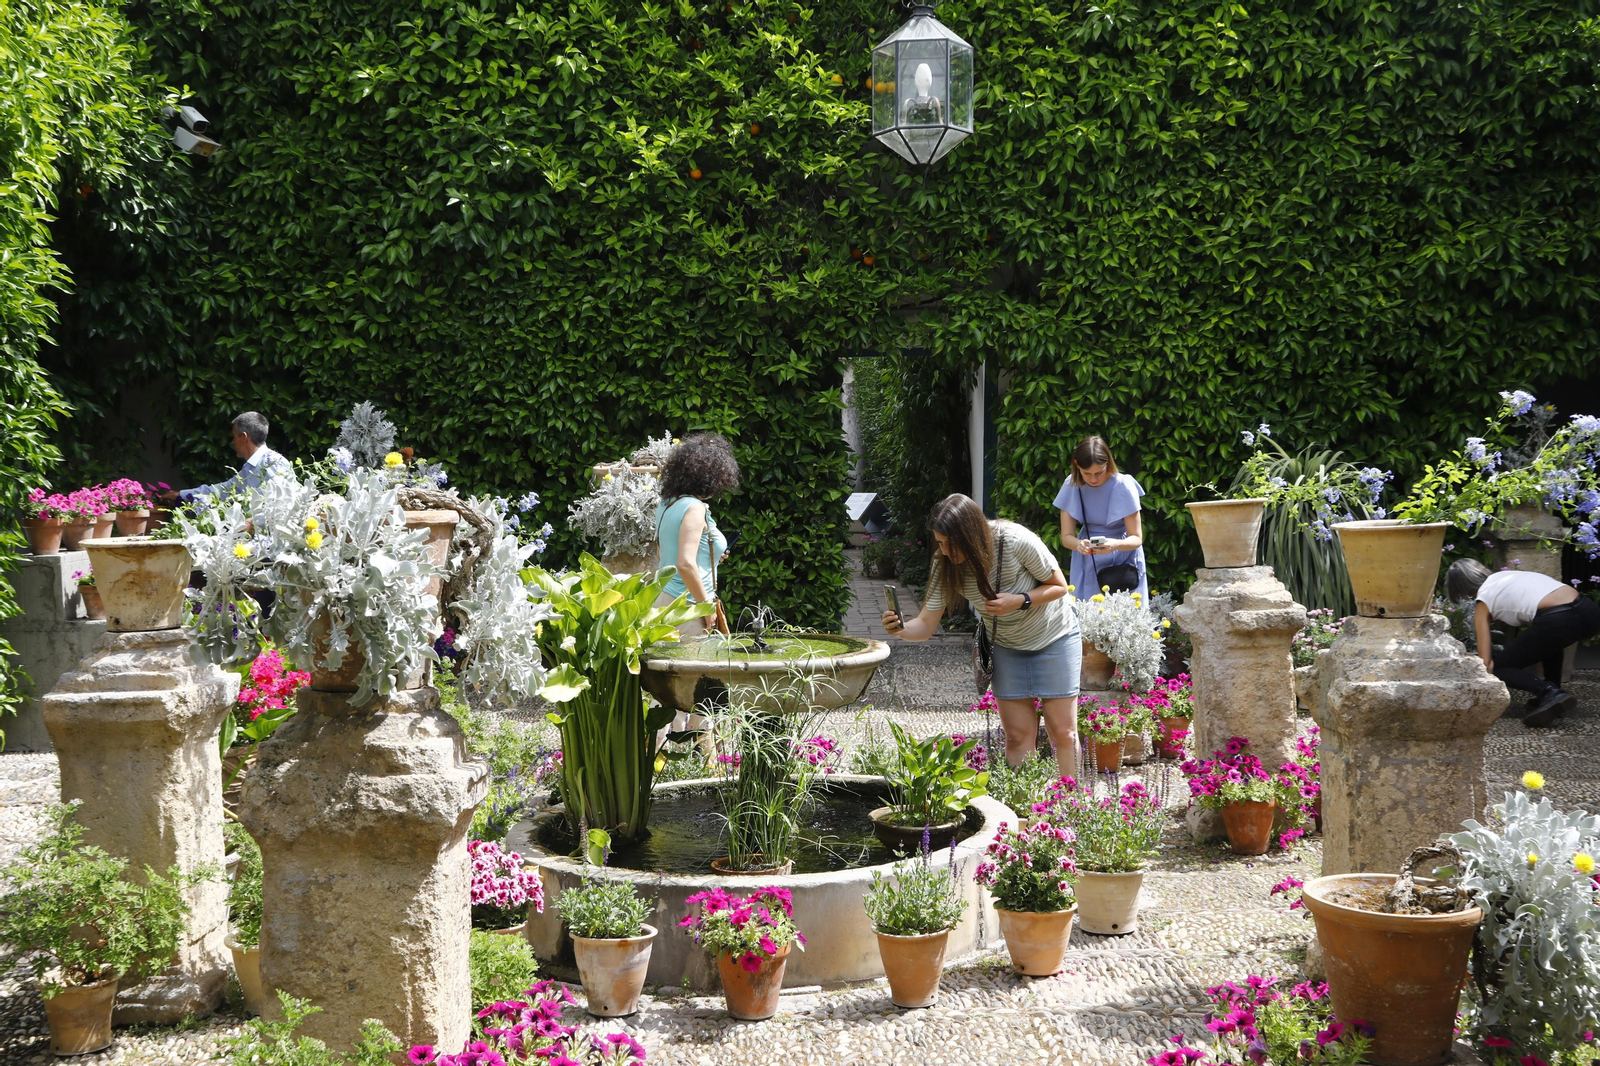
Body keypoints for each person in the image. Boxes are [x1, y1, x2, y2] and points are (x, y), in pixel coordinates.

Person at [881, 494, 1081, 777]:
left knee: (1063, 733)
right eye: (940, 542)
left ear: (973, 533)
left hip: (1055, 636)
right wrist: (900, 628)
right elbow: (925, 624)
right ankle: (1021, 809)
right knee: (1017, 736)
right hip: (1007, 646)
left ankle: (1069, 807)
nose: (947, 550)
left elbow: (1059, 586)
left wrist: (1018, 600)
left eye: (952, 542)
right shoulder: (945, 564)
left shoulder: (1015, 540)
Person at [1446, 559, 1600, 727]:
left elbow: (1486, 664)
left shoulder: (1483, 602)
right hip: (1589, 611)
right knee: (1550, 642)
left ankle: (1549, 693)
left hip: (1559, 619)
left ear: (1461, 589)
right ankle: (1554, 696)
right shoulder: (1506, 576)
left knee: (1499, 667)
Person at [654, 433, 739, 637]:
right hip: (688, 607)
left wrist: (711, 556)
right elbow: (684, 563)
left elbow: (662, 554)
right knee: (692, 667)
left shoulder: (667, 504)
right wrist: (705, 605)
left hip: (664, 599)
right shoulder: (695, 508)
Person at [1054, 436, 1148, 600]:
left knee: (1127, 616)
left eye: (1099, 472)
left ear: (1108, 464)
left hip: (1124, 557)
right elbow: (1066, 537)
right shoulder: (1072, 484)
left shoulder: (1123, 484)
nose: (1093, 479)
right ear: (1077, 465)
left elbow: (1137, 538)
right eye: (1086, 473)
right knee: (1087, 613)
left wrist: (1115, 545)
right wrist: (1079, 545)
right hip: (1088, 558)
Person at [163, 411, 291, 505]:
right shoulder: (251, 467)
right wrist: (181, 495)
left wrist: (254, 524)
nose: (232, 442)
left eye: (234, 436)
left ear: (244, 437)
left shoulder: (273, 463)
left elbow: (283, 505)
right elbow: (224, 490)